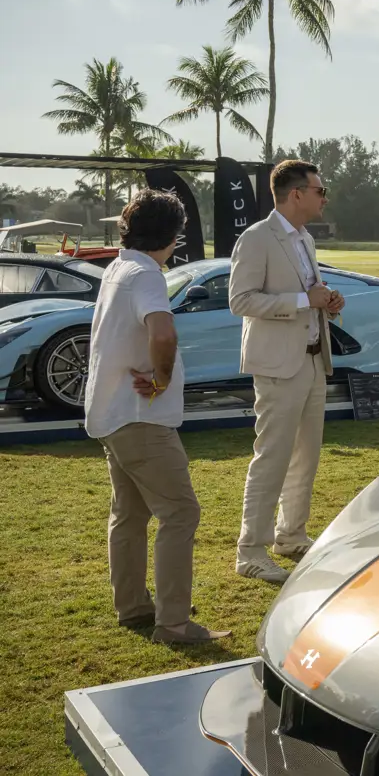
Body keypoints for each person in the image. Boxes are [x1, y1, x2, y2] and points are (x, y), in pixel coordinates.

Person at [84, 187, 230, 644]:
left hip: (112, 413)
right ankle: (173, 623)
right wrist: (163, 379)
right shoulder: (146, 274)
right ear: (172, 236)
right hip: (140, 417)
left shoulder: (118, 267)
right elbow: (162, 334)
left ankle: (133, 607)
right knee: (180, 512)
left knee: (129, 513)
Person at [227, 159, 343, 584]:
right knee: (272, 458)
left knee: (306, 456)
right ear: (296, 194)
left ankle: (291, 535)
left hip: (312, 359)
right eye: (319, 190)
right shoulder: (257, 238)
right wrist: (303, 301)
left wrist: (326, 302)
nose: (324, 198)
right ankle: (250, 551)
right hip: (278, 365)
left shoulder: (304, 238)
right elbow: (240, 301)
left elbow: (307, 294)